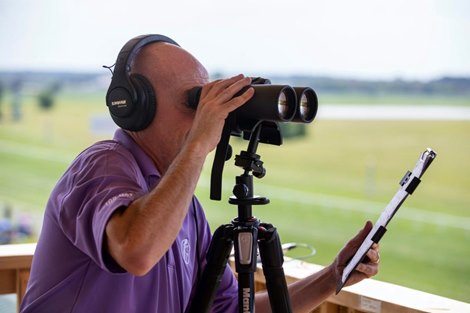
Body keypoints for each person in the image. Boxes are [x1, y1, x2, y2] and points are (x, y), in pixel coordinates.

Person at [20, 35, 379, 313]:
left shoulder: (183, 206)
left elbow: (229, 309)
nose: (210, 117)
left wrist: (333, 276)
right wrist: (198, 143)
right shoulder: (101, 165)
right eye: (195, 101)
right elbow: (136, 251)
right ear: (136, 108)